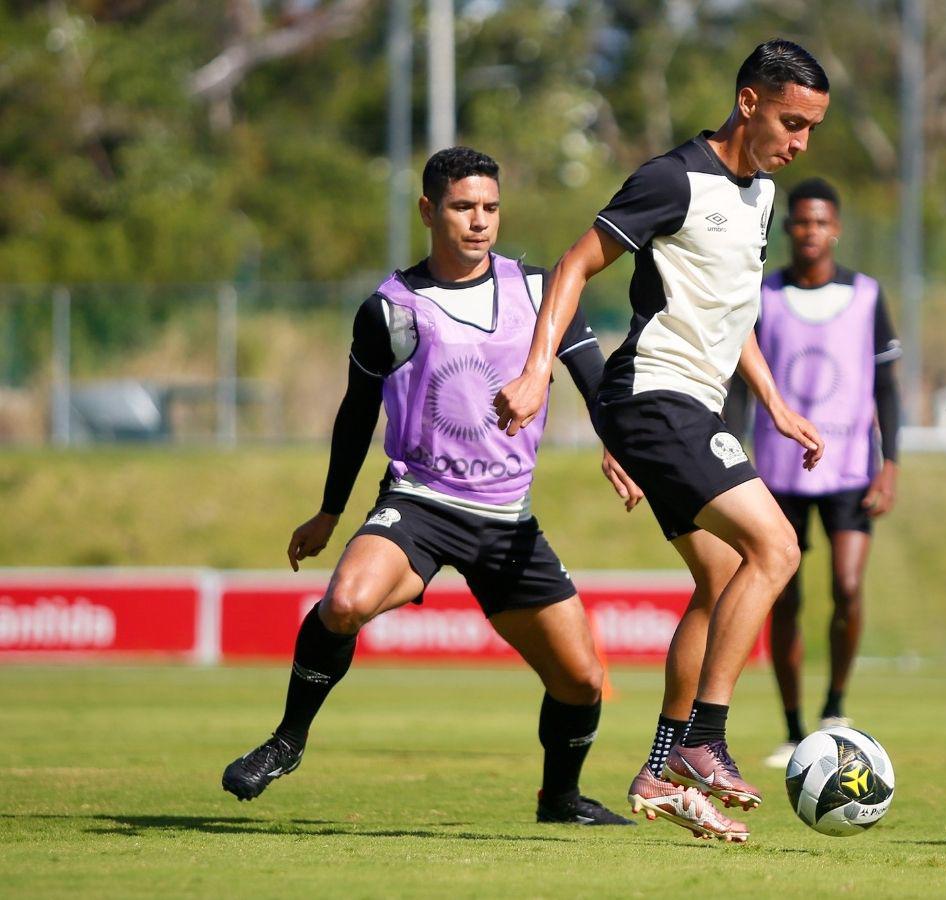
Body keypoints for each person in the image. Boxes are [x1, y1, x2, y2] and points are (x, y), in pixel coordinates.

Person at [221, 147, 637, 827]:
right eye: (463, 206)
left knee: (582, 679)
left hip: (508, 519)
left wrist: (616, 442)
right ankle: (287, 741)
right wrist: (330, 511)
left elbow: (595, 376)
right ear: (427, 210)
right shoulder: (390, 308)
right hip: (420, 504)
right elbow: (357, 412)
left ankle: (561, 799)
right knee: (345, 602)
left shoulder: (540, 290)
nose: (479, 221)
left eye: (491, 207)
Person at [494, 40, 829, 843]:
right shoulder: (673, 179)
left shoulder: (762, 197)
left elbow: (731, 312)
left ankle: (659, 767)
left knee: (722, 580)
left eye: (812, 129)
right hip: (652, 396)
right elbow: (571, 267)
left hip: (694, 407)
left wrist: (776, 404)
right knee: (776, 548)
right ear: (748, 103)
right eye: (791, 122)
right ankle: (704, 742)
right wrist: (537, 372)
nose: (800, 143)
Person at [747, 178, 901, 769]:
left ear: (835, 228)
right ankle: (792, 728)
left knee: (848, 585)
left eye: (821, 222)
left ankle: (835, 708)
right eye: (801, 222)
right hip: (777, 468)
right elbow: (741, 379)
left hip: (849, 467)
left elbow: (886, 386)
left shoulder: (865, 295)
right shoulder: (764, 294)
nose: (810, 231)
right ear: (787, 228)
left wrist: (891, 464)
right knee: (782, 594)